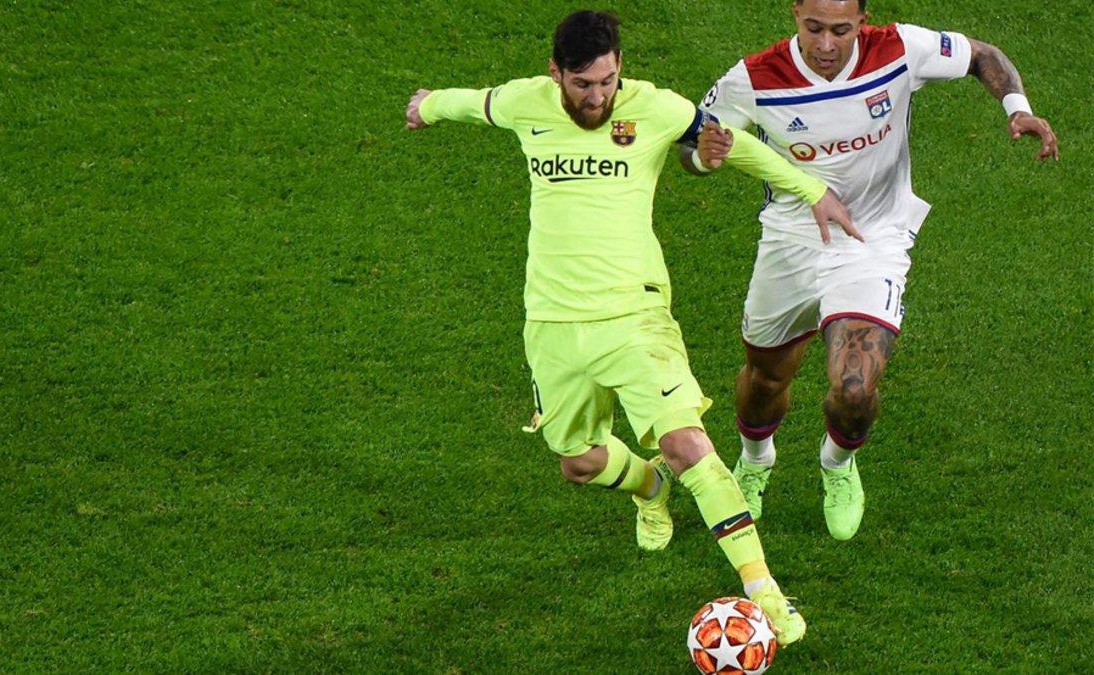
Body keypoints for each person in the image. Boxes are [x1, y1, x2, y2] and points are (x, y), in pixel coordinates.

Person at [405, 9, 858, 646]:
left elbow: (731, 142)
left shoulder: (655, 108)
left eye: (608, 82)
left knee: (688, 444)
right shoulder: (524, 103)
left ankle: (767, 594)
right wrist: (427, 106)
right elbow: (473, 103)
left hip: (634, 313)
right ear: (555, 72)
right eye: (583, 85)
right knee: (579, 462)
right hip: (553, 321)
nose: (597, 97)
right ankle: (649, 488)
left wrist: (811, 189)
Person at [691, 0, 1059, 541]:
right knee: (768, 376)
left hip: (872, 239)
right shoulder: (753, 79)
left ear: (862, 21)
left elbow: (983, 54)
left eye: (840, 30)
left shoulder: (899, 50)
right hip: (792, 239)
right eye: (813, 28)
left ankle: (837, 466)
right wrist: (703, 156)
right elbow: (694, 147)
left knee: (856, 387)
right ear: (795, 14)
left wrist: (1016, 108)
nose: (824, 45)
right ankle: (755, 459)